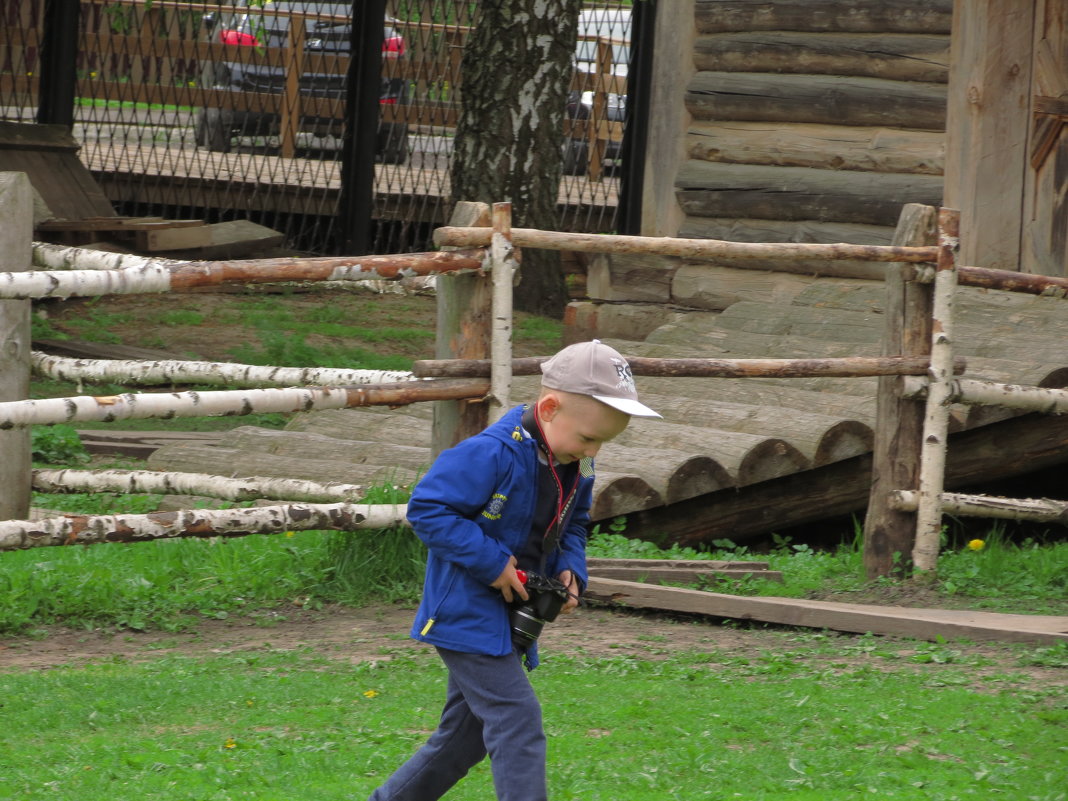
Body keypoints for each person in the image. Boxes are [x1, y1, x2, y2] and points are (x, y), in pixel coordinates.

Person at [367, 340, 661, 801]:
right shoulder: (489, 453)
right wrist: (491, 561)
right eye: (588, 437)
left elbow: (574, 524)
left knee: (462, 742)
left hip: (510, 619)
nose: (595, 449)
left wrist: (570, 569)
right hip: (464, 612)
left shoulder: (578, 463)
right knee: (517, 720)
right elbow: (428, 509)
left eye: (605, 440)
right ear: (549, 407)